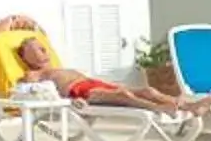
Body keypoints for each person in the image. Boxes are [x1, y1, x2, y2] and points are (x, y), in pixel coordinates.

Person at [13, 31, 199, 115]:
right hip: (80, 93)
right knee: (124, 94)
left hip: (92, 83)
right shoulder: (33, 75)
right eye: (36, 50)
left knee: (148, 91)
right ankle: (158, 108)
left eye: (43, 48)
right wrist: (69, 102)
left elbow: (39, 32)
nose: (43, 52)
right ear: (26, 57)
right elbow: (33, 93)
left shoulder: (55, 68)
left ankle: (189, 107)